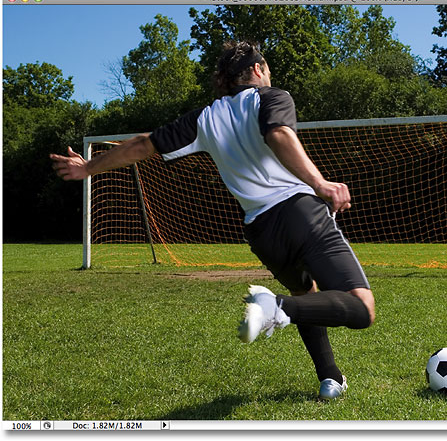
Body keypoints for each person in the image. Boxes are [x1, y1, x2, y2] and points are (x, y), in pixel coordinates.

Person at [50, 40, 375, 400]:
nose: (268, 74)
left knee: (306, 295)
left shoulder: (205, 117)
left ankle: (329, 377)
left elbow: (143, 144)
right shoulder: (271, 97)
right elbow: (279, 133)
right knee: (360, 307)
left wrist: (89, 168)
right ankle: (276, 307)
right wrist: (320, 183)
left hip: (262, 232)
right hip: (301, 212)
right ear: (256, 70)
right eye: (266, 68)